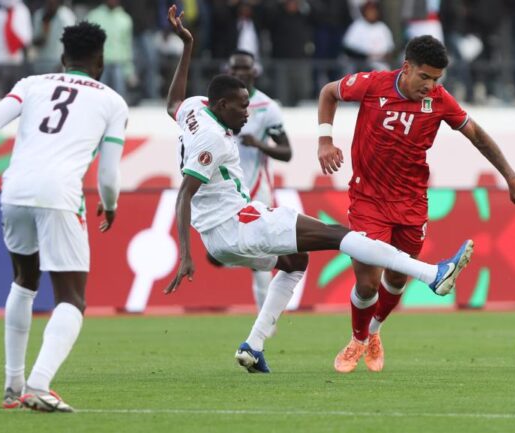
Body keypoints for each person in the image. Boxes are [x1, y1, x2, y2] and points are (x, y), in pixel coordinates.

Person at [163, 5, 473, 374]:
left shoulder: (193, 109)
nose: (248, 114)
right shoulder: (214, 139)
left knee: (296, 262)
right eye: (243, 108)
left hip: (219, 238)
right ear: (222, 105)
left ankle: (254, 346)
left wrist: (187, 45)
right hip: (238, 224)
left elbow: (173, 103)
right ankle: (431, 274)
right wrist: (185, 255)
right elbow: (184, 194)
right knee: (342, 236)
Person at [0, 22, 128, 411]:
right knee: (72, 299)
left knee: (24, 282)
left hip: (15, 190)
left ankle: (12, 385)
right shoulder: (112, 101)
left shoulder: (31, 83)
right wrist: (110, 203)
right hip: (59, 195)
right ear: (101, 61)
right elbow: (108, 174)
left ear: (62, 57)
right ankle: (38, 385)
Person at [317, 35, 515, 373]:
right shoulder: (372, 84)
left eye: (436, 79)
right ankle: (357, 339)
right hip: (368, 199)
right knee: (367, 282)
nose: (430, 86)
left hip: (412, 202)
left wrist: (512, 178)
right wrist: (325, 140)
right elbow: (328, 92)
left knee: (396, 279)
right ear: (406, 67)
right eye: (424, 77)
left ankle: (374, 331)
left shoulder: (439, 100)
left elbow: (477, 136)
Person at [213, 49, 293, 311]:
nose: (238, 73)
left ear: (254, 71)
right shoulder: (217, 103)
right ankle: (233, 258)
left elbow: (287, 152)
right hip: (224, 191)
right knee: (218, 252)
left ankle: (265, 322)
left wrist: (259, 143)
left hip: (256, 190)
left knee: (261, 256)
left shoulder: (267, 107)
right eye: (234, 68)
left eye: (244, 68)